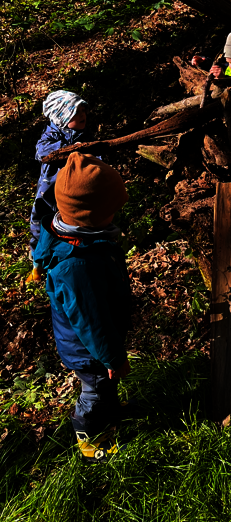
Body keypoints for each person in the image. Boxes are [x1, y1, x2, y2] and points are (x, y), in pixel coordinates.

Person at [33, 152, 132, 462]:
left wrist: (38, 263)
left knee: (104, 384)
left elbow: (44, 245)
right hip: (87, 349)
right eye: (110, 210)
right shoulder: (77, 267)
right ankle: (88, 435)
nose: (115, 215)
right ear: (89, 214)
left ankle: (109, 411)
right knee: (95, 388)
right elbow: (91, 321)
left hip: (93, 344)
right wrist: (112, 357)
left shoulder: (64, 227)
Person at [27, 91, 90, 283]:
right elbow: (42, 151)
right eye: (75, 112)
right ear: (62, 117)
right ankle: (37, 265)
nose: (82, 115)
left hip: (73, 193)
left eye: (83, 110)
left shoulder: (84, 134)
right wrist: (69, 148)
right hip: (49, 193)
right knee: (41, 225)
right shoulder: (51, 134)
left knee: (70, 226)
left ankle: (67, 260)